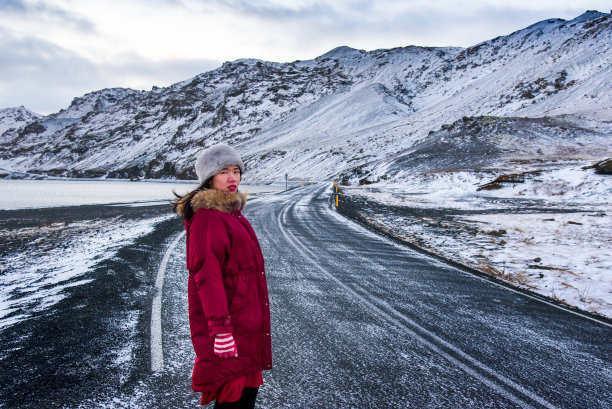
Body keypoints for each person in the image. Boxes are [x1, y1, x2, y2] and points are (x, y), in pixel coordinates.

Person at [172, 143, 272, 408]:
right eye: (224, 171)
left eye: (236, 171)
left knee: (245, 396)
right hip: (231, 325)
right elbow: (206, 276)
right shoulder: (208, 217)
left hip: (245, 321)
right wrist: (220, 330)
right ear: (209, 178)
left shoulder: (231, 213)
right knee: (232, 397)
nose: (232, 177)